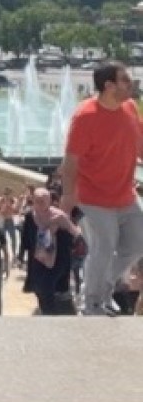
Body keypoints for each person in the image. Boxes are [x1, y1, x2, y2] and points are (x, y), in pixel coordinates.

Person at [60, 62, 143, 316]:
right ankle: (92, 303)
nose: (131, 83)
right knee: (104, 247)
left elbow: (139, 144)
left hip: (125, 194)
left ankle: (103, 287)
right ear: (109, 86)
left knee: (137, 244)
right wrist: (68, 196)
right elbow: (71, 161)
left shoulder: (130, 108)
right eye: (125, 80)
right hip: (93, 197)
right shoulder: (85, 117)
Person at [22, 188, 80, 315]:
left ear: (49, 201)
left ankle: (51, 315)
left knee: (47, 287)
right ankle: (47, 312)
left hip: (58, 260)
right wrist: (22, 256)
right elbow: (26, 239)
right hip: (37, 259)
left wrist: (58, 230)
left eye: (42, 201)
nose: (39, 204)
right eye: (37, 201)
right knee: (38, 288)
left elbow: (75, 234)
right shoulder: (30, 216)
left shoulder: (59, 216)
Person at [0, 186, 20, 262]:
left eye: (8, 194)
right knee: (2, 239)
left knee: (13, 238)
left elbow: (16, 211)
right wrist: (3, 207)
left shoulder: (14, 200)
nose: (7, 195)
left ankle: (14, 255)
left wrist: (10, 207)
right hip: (1, 221)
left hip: (10, 221)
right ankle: (3, 255)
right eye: (5, 193)